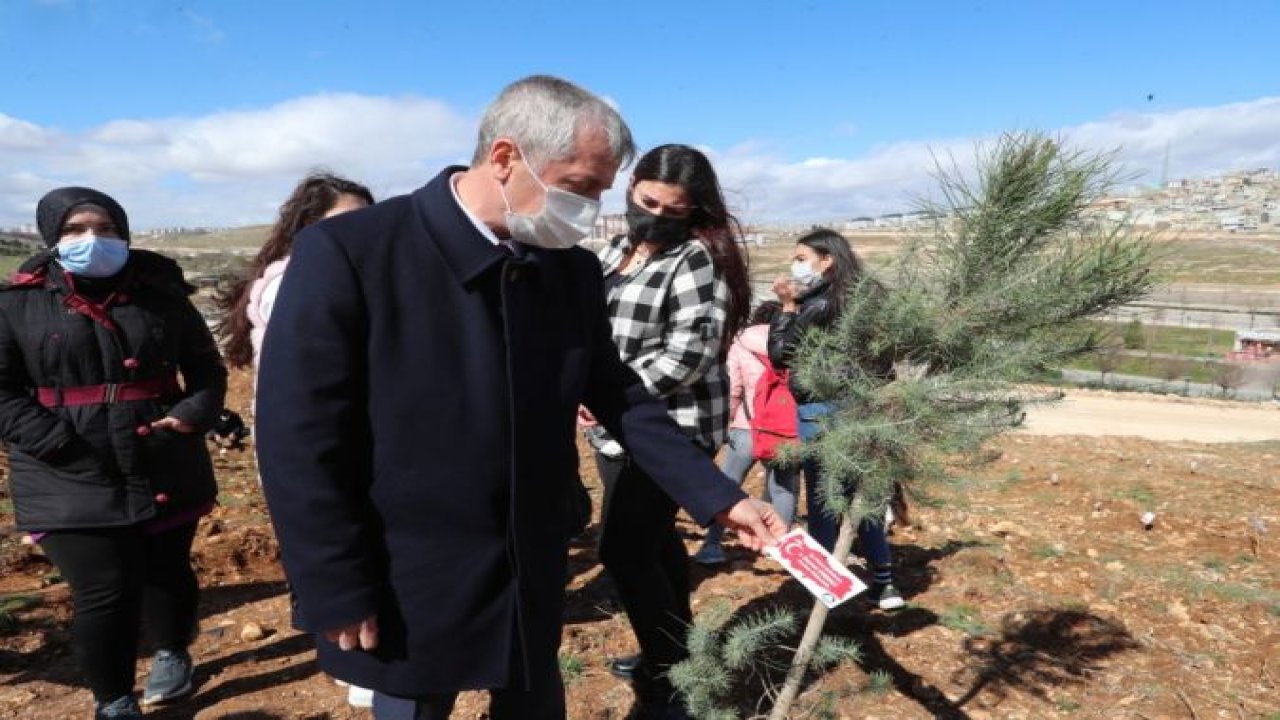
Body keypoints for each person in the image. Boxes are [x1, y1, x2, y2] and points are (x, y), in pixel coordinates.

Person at [254, 76, 784, 720]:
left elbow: (620, 395)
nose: (590, 207)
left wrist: (719, 496)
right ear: (505, 158)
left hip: (529, 559)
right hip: (408, 569)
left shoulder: (567, 269)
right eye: (580, 185)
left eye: (599, 189)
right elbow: (299, 437)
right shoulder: (354, 253)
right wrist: (332, 581)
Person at [0, 187, 228, 719]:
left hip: (163, 450)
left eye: (104, 228)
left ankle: (174, 652)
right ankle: (114, 700)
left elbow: (206, 367)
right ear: (52, 239)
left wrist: (194, 414)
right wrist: (54, 441)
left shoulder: (163, 295)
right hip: (64, 466)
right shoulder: (16, 304)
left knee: (167, 570)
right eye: (75, 230)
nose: (92, 240)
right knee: (104, 589)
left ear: (123, 233)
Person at [586, 143, 755, 715]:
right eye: (647, 200)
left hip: (672, 428)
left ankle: (670, 678)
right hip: (617, 429)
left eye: (673, 209)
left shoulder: (695, 260)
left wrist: (608, 392)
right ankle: (676, 653)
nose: (656, 214)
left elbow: (690, 354)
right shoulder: (613, 249)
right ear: (631, 187)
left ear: (693, 211)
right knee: (655, 546)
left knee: (624, 550)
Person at [213, 171, 375, 708]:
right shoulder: (297, 282)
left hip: (317, 436)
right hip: (320, 439)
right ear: (306, 230)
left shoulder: (312, 274)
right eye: (343, 224)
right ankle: (356, 661)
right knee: (333, 533)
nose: (359, 233)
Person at [768, 228, 905, 611]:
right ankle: (884, 582)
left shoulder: (817, 303)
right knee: (865, 494)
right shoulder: (868, 296)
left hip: (821, 408)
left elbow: (781, 353)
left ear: (826, 259)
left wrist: (787, 308)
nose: (795, 264)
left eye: (801, 257)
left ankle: (822, 589)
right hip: (864, 407)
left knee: (825, 495)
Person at [215, 172, 374, 377]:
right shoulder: (289, 284)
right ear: (309, 225)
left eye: (367, 221)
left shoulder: (348, 275)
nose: (358, 231)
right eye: (344, 221)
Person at [691, 300, 800, 566]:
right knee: (784, 489)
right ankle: (777, 548)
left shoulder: (742, 344)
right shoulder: (794, 342)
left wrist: (727, 423)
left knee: (727, 487)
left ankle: (712, 546)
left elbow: (734, 388)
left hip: (746, 427)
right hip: (783, 430)